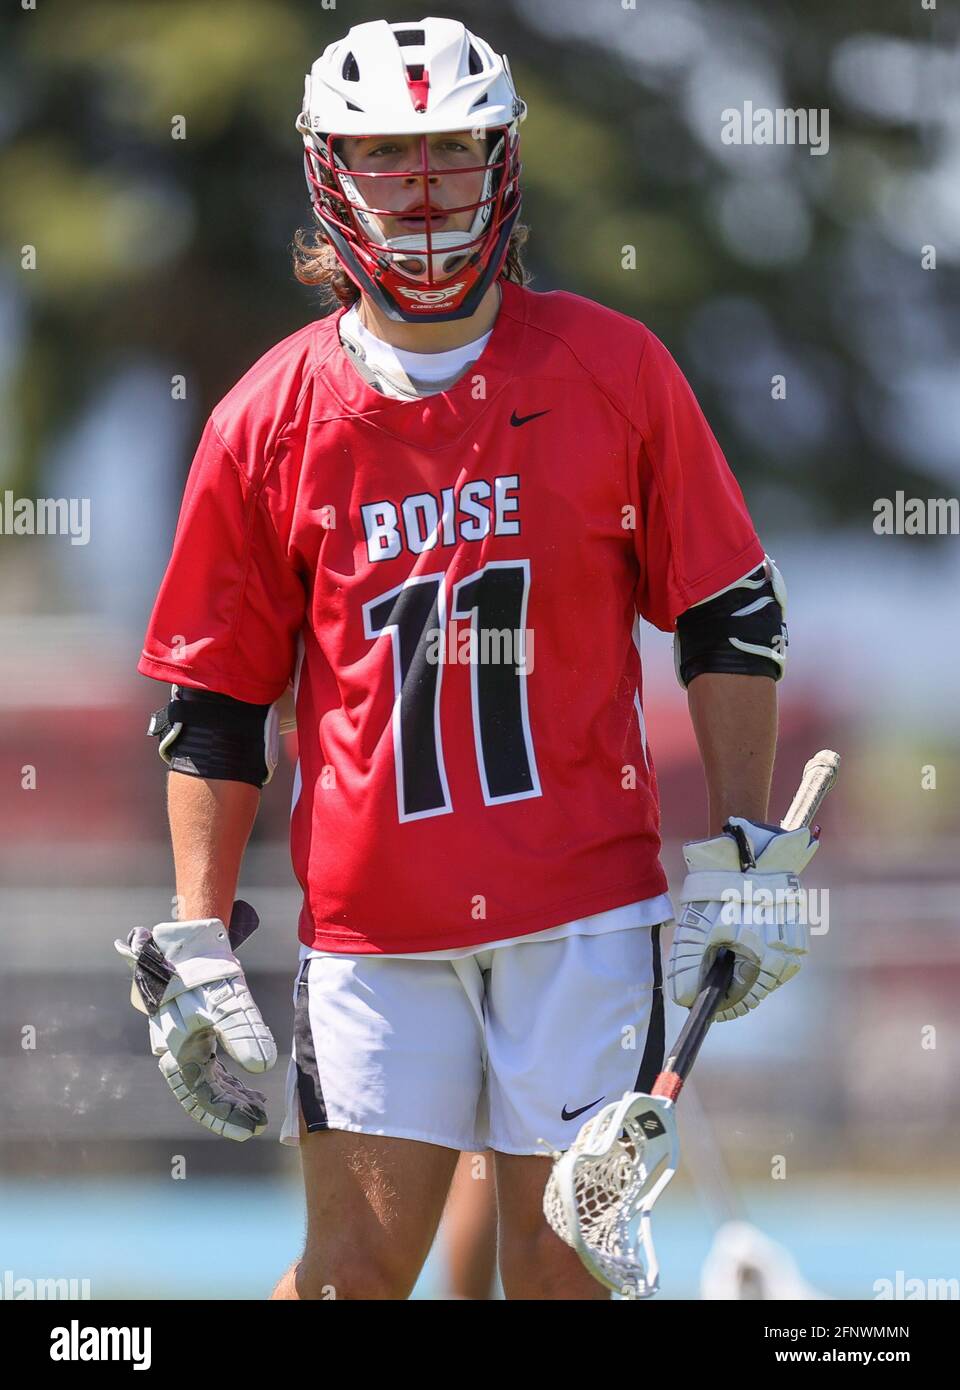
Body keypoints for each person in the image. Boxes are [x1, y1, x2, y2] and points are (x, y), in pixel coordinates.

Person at [119, 17, 816, 1301]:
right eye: (388, 153)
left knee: (561, 1277)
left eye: (452, 147)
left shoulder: (613, 369)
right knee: (350, 1276)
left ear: (504, 162)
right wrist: (198, 930)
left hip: (583, 913)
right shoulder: (267, 416)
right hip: (375, 928)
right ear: (332, 172)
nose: (425, 182)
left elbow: (727, 611)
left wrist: (747, 849)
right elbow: (213, 702)